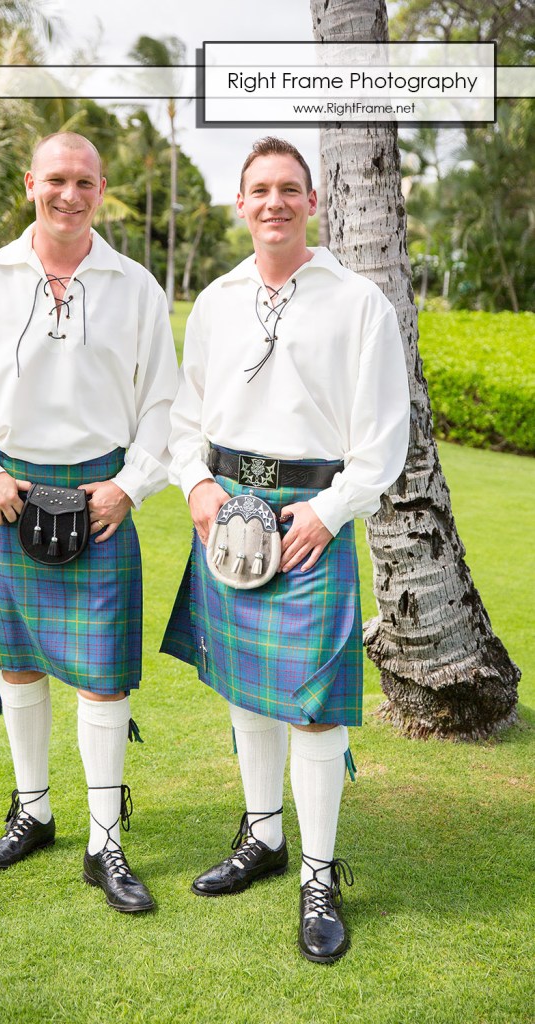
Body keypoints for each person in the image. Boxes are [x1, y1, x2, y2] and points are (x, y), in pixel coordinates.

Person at [162, 137, 410, 961]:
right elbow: (183, 415)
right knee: (245, 693)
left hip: (308, 519)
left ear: (312, 202)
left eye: (287, 189)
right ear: (242, 204)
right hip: (224, 510)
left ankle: (316, 873)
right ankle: (262, 837)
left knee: (311, 709)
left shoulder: (356, 302)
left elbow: (382, 439)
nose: (273, 202)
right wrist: (194, 486)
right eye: (258, 190)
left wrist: (329, 512)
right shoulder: (218, 298)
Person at [0, 132, 178, 914]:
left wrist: (129, 487)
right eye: (56, 179)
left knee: (103, 678)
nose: (70, 194)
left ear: (103, 191)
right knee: (19, 664)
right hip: (4, 491)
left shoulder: (134, 287)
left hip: (99, 500)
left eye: (85, 182)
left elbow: (163, 407)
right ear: (32, 183)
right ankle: (33, 810)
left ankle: (106, 843)